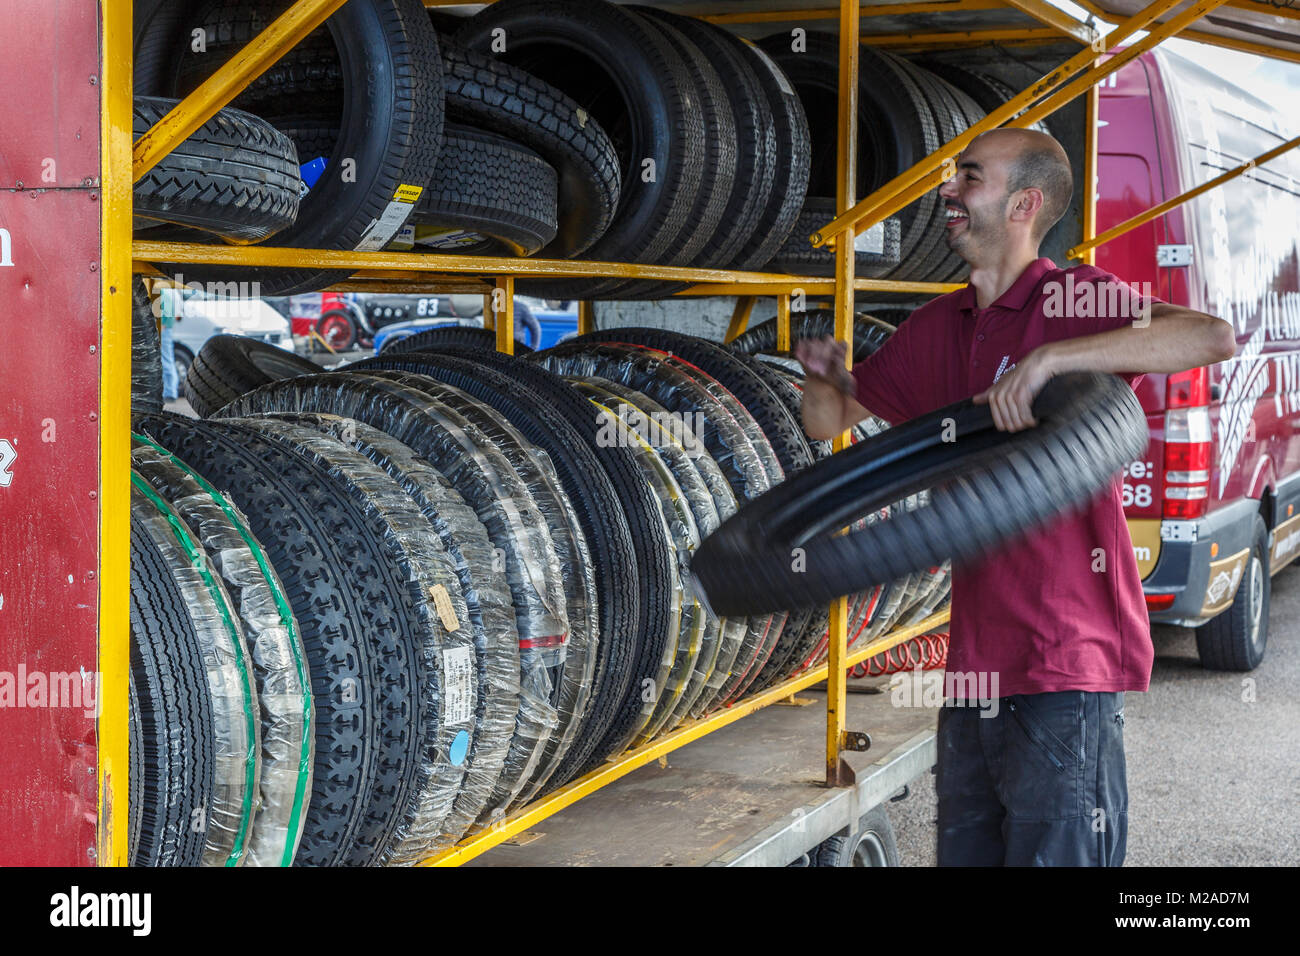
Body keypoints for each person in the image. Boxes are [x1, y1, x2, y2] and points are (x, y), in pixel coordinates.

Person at [796, 128, 1235, 866]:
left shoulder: (1073, 297)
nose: (949, 194)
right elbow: (830, 422)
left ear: (1025, 204)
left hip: (1066, 663)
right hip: (973, 671)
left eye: (969, 179)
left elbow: (1211, 337)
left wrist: (1051, 358)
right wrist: (822, 371)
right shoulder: (941, 325)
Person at [154, 278, 182, 401]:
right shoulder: (172, 290)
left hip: (163, 327)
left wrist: (163, 324)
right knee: (167, 358)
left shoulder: (162, 289)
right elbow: (178, 315)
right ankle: (169, 391)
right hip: (166, 327)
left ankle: (169, 392)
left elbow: (167, 311)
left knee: (165, 359)